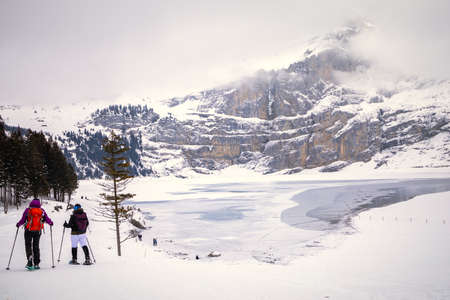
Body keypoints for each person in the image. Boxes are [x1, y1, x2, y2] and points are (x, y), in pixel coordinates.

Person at [16, 198, 54, 270]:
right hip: (38, 231)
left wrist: (18, 224)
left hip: (28, 230)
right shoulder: (42, 211)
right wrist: (51, 223)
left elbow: (23, 220)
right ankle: (36, 263)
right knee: (36, 246)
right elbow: (47, 219)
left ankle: (30, 259)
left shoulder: (28, 210)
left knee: (28, 244)